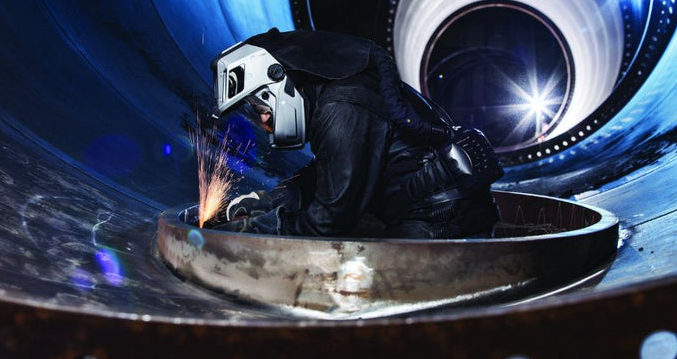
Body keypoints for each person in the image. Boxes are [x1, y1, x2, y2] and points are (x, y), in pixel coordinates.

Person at [210, 27, 503, 239]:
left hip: (442, 228)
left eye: (261, 108)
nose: (263, 122)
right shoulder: (332, 98)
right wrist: (270, 200)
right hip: (434, 218)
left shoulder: (343, 106)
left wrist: (255, 230)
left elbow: (328, 222)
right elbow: (331, 170)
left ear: (279, 82)